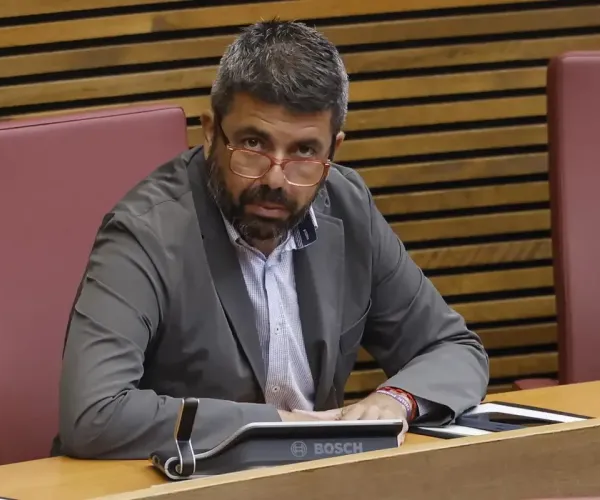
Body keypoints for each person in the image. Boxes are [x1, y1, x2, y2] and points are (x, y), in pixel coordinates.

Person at [54, 19, 489, 460]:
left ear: (333, 150)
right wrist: (273, 427)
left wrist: (396, 400)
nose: (275, 179)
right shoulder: (146, 231)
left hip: (315, 479)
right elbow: (93, 415)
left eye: (304, 151)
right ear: (210, 132)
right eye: (253, 144)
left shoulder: (347, 205)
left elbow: (452, 348)